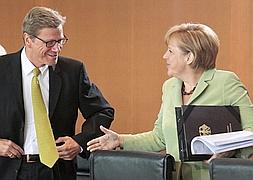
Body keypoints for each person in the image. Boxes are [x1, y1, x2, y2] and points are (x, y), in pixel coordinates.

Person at [87, 23, 253, 180]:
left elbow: (250, 131)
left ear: (189, 56)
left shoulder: (226, 82)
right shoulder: (170, 87)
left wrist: (228, 150)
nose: (164, 56)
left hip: (215, 176)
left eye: (171, 51)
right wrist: (120, 140)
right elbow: (159, 138)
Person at [0, 6, 114, 180]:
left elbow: (103, 111)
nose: (56, 49)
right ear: (28, 39)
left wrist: (79, 142)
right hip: (8, 170)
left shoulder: (73, 71)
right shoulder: (2, 69)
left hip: (58, 171)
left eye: (60, 41)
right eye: (49, 43)